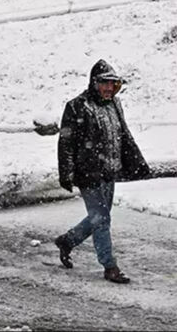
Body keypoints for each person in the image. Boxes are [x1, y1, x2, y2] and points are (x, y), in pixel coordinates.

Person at [54, 59, 151, 284]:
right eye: (105, 84)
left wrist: (137, 162)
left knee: (100, 217)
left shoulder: (115, 104)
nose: (109, 88)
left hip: (109, 170)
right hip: (87, 172)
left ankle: (68, 240)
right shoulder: (77, 106)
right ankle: (109, 266)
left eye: (113, 84)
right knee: (101, 219)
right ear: (94, 83)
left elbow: (123, 134)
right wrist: (66, 172)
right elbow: (65, 142)